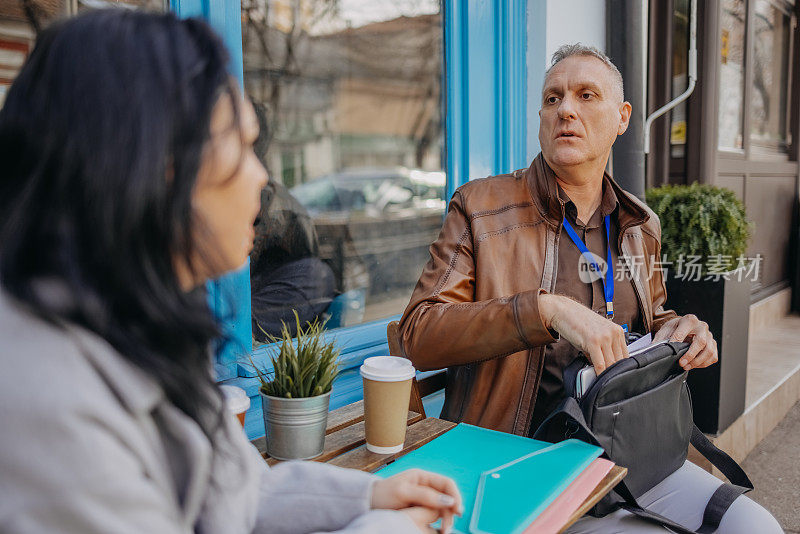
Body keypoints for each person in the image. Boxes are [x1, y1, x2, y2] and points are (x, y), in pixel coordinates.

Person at [0, 10, 461, 533]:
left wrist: (374, 497)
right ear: (152, 166)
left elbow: (239, 495)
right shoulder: (46, 403)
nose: (263, 176)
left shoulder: (139, 327)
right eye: (241, 147)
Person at [398, 44, 781, 533]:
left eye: (585, 95)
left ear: (622, 118)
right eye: (553, 98)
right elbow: (418, 332)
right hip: (521, 462)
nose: (566, 110)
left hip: (627, 454)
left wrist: (680, 329)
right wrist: (546, 311)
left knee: (756, 527)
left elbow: (652, 318)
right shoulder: (479, 207)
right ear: (540, 116)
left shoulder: (640, 224)